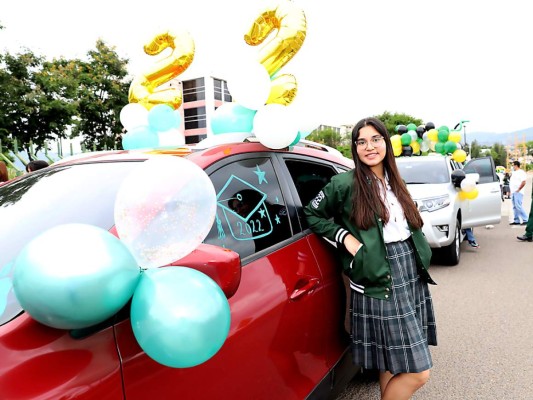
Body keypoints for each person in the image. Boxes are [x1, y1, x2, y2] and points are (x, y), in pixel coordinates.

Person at [304, 117, 437, 400]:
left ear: (386, 143)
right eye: (361, 141)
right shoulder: (344, 184)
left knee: (392, 360)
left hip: (409, 269)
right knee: (418, 373)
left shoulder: (395, 180)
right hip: (377, 274)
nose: (370, 146)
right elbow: (311, 213)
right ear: (355, 148)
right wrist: (345, 238)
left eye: (376, 139)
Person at [509, 161, 529, 225]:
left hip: (518, 192)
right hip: (513, 192)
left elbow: (524, 182)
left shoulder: (521, 172)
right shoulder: (514, 173)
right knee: (514, 206)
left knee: (518, 206)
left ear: (516, 165)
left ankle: (525, 219)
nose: (512, 167)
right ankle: (516, 220)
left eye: (513, 165)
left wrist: (519, 189)